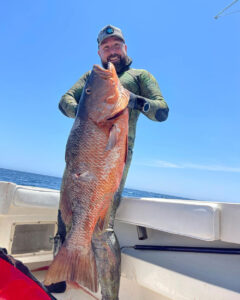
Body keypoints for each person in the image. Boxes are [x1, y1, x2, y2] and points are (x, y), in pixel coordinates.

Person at [55, 25, 169, 300]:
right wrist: (85, 111)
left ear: (125, 48)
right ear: (99, 51)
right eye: (106, 47)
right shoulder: (92, 77)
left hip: (112, 163)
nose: (112, 51)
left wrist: (134, 101)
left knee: (101, 229)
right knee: (63, 220)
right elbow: (64, 101)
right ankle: (57, 279)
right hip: (80, 159)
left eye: (116, 45)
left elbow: (162, 111)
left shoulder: (140, 76)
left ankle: (109, 296)